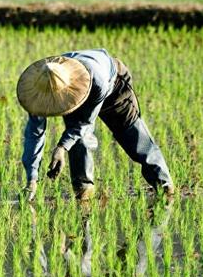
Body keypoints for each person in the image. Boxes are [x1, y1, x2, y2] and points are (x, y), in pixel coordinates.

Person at [17, 48, 174, 201]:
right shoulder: (37, 93)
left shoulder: (97, 80)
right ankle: (83, 190)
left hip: (113, 84)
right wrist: (32, 178)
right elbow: (34, 134)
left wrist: (61, 147)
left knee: (130, 133)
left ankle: (164, 184)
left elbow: (84, 123)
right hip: (76, 89)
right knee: (79, 139)